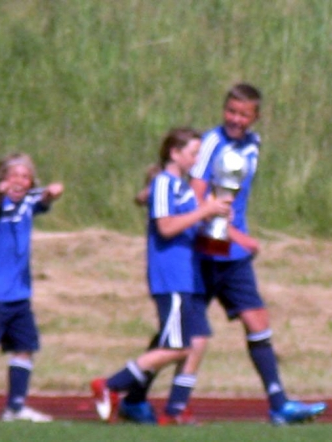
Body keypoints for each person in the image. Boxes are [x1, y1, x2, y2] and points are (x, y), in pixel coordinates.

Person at [126, 83, 327, 425]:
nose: (235, 119)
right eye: (231, 111)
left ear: (255, 117)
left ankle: (279, 404)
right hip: (205, 252)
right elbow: (198, 199)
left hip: (232, 256)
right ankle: (135, 398)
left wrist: (237, 237)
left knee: (256, 320)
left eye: (243, 114)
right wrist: (239, 237)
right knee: (180, 334)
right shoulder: (210, 144)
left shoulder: (253, 144)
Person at [90, 127, 231, 425]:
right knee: (177, 347)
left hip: (189, 277)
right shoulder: (165, 183)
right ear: (175, 153)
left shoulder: (182, 188)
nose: (197, 159)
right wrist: (203, 211)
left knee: (197, 340)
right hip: (172, 277)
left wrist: (214, 220)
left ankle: (175, 409)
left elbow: (189, 228)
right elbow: (166, 227)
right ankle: (111, 385)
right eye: (193, 153)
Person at [0, 152, 64, 423]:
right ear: (3, 178)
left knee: (25, 346)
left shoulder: (28, 203)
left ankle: (15, 407)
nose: (19, 181)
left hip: (19, 295)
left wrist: (51, 194)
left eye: (25, 176)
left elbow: (43, 199)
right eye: (14, 175)